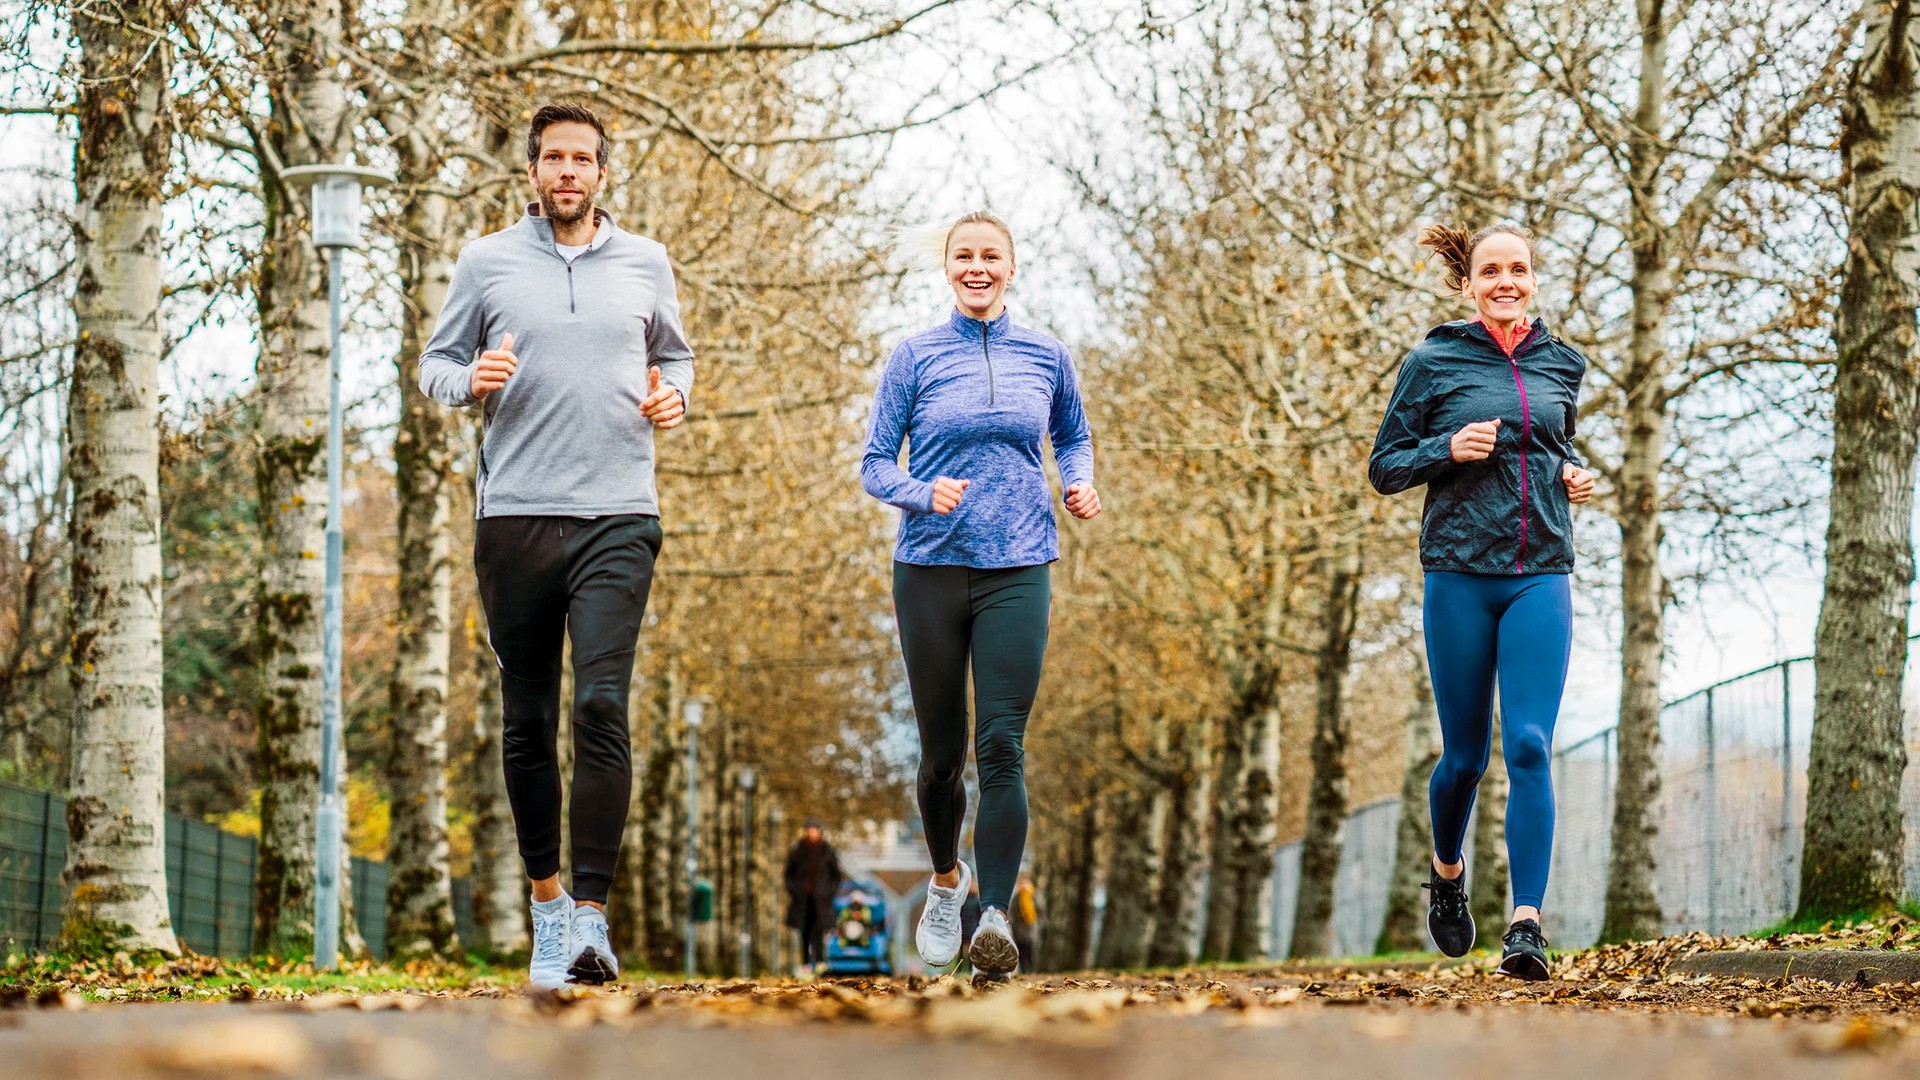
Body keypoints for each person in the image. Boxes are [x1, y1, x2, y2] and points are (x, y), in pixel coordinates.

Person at [417, 101, 694, 989]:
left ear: (603, 173)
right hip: (518, 519)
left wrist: (674, 398)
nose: (568, 171)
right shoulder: (486, 261)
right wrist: (470, 381)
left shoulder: (646, 262)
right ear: (532, 172)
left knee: (601, 707)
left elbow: (677, 359)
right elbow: (434, 365)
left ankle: (590, 918)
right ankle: (543, 909)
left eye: (583, 159)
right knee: (529, 720)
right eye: (553, 159)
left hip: (620, 512)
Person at [861, 211, 1100, 980]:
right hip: (929, 567)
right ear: (948, 268)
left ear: (1012, 266)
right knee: (940, 757)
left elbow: (1073, 434)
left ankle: (992, 914)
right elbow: (873, 463)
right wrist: (920, 492)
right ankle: (943, 882)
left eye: (990, 256)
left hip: (1020, 565)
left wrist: (1078, 480)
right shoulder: (915, 357)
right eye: (964, 256)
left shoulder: (1047, 354)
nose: (977, 267)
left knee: (1001, 745)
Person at [1368, 222, 1593, 981]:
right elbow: (1384, 465)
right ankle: (1447, 871)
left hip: (1541, 571)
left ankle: (1526, 923)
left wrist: (1573, 476)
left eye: (1519, 269)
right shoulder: (1433, 361)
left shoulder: (1563, 363)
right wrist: (1446, 450)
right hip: (1459, 574)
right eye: (1491, 270)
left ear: (1533, 278)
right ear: (1468, 285)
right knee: (1464, 757)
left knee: (1528, 744)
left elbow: (1558, 445)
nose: (1506, 280)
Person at [783, 821, 845, 976]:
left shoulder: (827, 851)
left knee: (819, 931)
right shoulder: (797, 850)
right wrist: (795, 890)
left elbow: (836, 875)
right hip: (802, 900)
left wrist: (828, 892)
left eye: (814, 830)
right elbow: (788, 874)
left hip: (821, 900)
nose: (811, 833)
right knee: (804, 931)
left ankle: (819, 962)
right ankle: (805, 964)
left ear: (819, 831)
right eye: (809, 830)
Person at [1010, 875, 1040, 972]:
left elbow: (1040, 911)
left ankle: (1031, 971)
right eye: (1020, 883)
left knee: (1031, 951)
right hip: (1018, 929)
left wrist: (1040, 924)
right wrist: (1012, 924)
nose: (1022, 885)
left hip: (1031, 928)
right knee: (1021, 952)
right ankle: (1024, 971)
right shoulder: (1016, 898)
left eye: (1024, 882)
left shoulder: (1034, 896)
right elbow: (1012, 912)